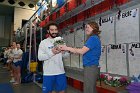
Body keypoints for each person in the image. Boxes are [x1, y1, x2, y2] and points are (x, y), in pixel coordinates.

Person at [59, 21, 101, 93]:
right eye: (85, 27)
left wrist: (66, 48)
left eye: (88, 27)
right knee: (91, 88)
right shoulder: (94, 38)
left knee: (88, 89)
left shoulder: (93, 38)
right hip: (92, 67)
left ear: (94, 28)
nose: (86, 29)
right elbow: (84, 52)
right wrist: (71, 51)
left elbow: (82, 51)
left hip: (90, 67)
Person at [38, 22, 67, 93]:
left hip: (60, 71)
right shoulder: (43, 42)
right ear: (48, 31)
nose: (54, 32)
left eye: (55, 30)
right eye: (52, 30)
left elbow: (66, 55)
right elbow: (40, 57)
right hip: (48, 73)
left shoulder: (60, 41)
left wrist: (64, 52)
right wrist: (52, 52)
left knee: (61, 91)